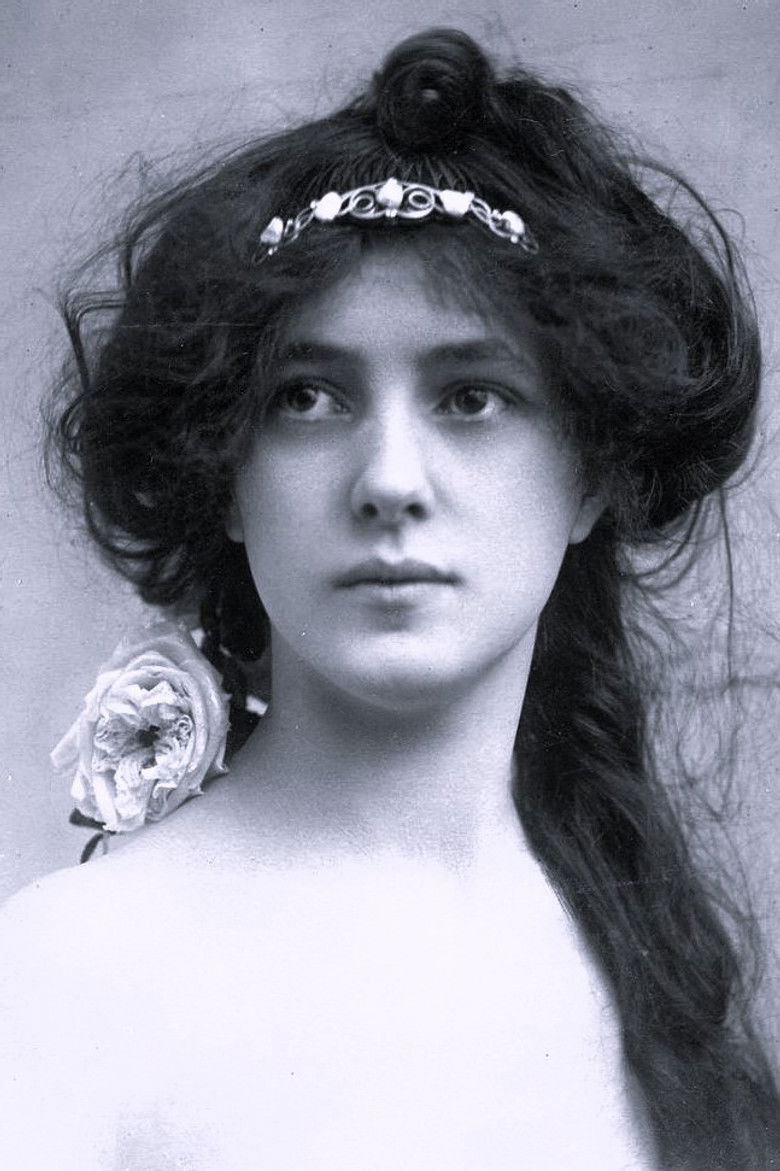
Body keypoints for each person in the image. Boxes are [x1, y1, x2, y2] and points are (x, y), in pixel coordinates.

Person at [0, 26, 777, 1169]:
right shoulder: (61, 987)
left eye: (472, 397)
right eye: (308, 398)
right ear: (224, 474)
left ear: (593, 476)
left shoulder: (640, 947)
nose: (390, 481)